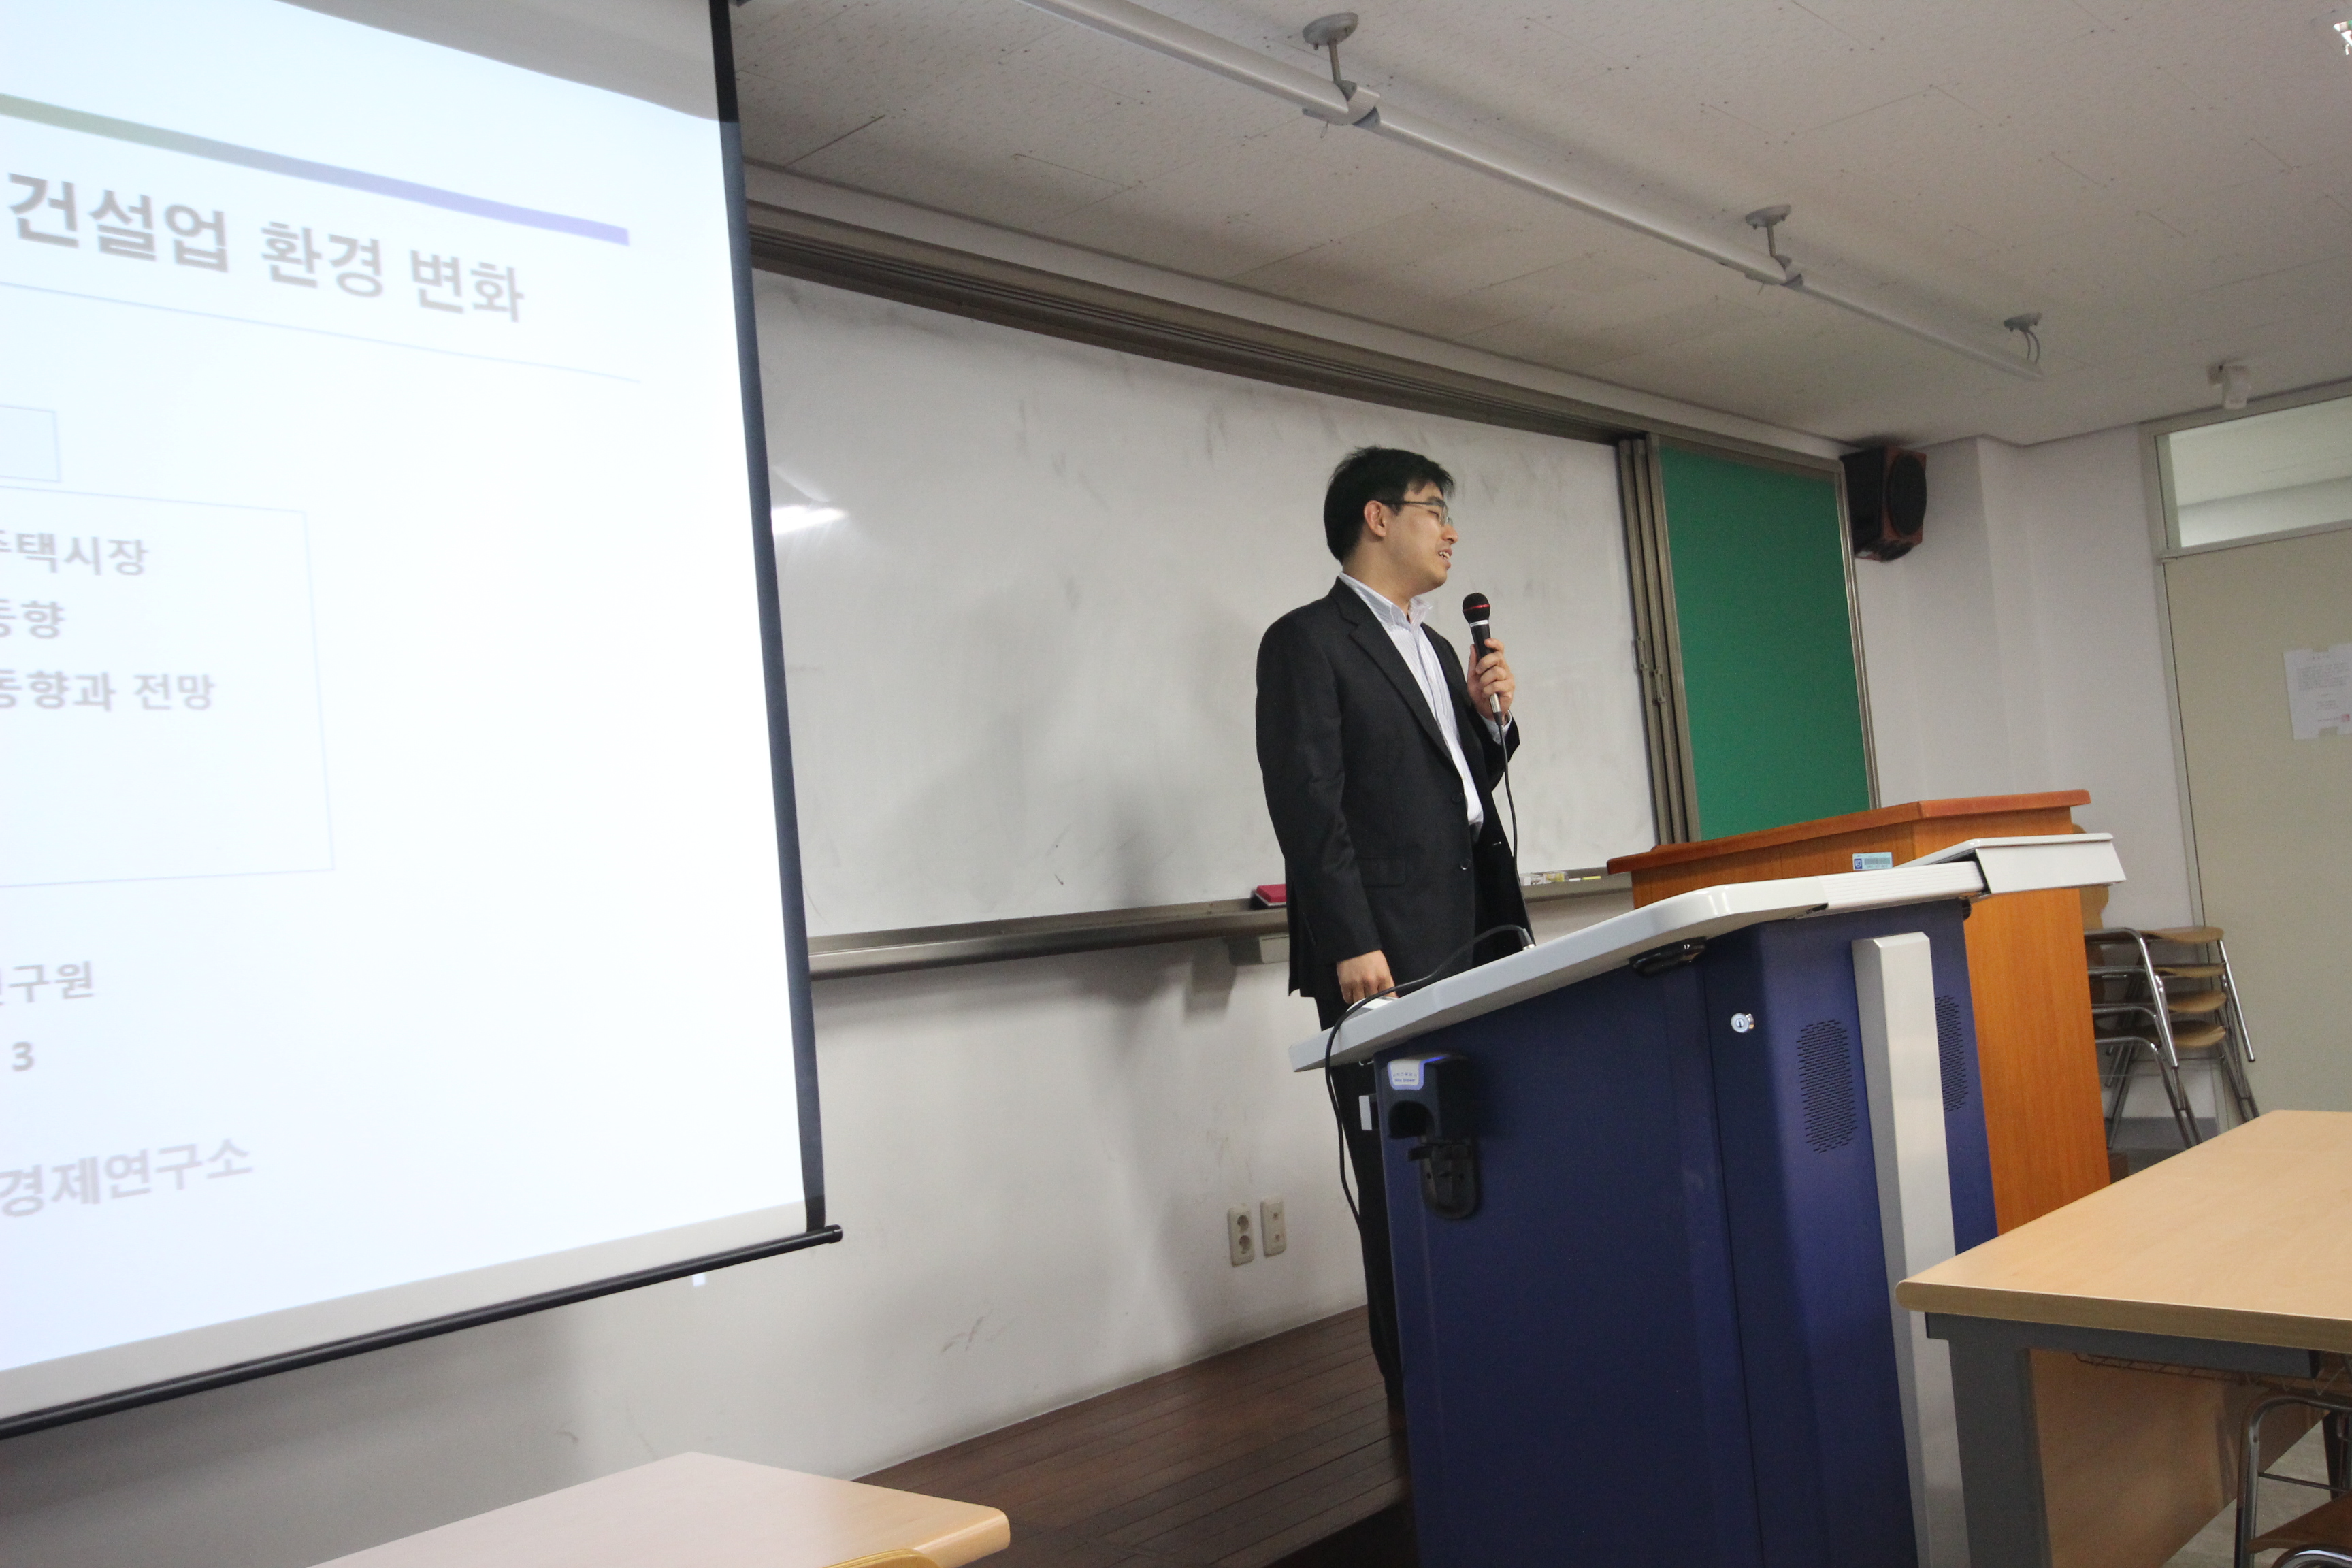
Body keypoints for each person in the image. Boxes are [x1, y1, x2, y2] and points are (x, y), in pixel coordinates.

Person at [1254, 446, 1530, 1405]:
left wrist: (1489, 726)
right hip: (1384, 953)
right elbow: (1308, 805)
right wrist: (1350, 940)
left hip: (1477, 937)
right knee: (1402, 1170)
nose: (1451, 531)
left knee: (1484, 1154)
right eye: (1434, 510)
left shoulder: (1441, 650)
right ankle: (1419, 1390)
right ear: (1378, 518)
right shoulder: (1308, 641)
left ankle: (1492, 1360)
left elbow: (1453, 796)